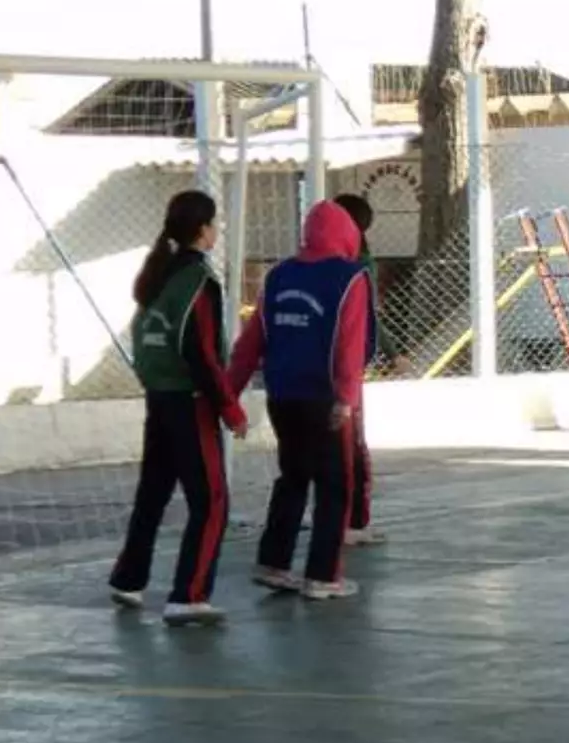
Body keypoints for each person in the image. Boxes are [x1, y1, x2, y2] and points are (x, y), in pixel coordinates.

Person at [108, 189, 248, 626]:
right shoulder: (198, 282)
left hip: (160, 398)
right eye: (214, 223)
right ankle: (188, 594)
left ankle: (128, 579)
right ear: (203, 229)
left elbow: (147, 342)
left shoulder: (158, 277)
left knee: (153, 492)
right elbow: (201, 351)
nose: (217, 230)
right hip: (190, 403)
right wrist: (229, 407)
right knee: (211, 501)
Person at [226, 198, 373, 600]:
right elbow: (351, 342)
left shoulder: (280, 275)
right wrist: (346, 397)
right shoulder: (350, 277)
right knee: (334, 485)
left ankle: (273, 562)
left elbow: (252, 340)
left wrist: (230, 394)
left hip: (282, 395)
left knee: (292, 477)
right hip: (324, 399)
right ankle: (324, 575)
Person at [332, 192, 384, 547]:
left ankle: (340, 518)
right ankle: (353, 521)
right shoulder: (360, 266)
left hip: (316, 365)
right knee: (351, 446)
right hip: (346, 367)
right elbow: (371, 317)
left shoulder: (306, 266)